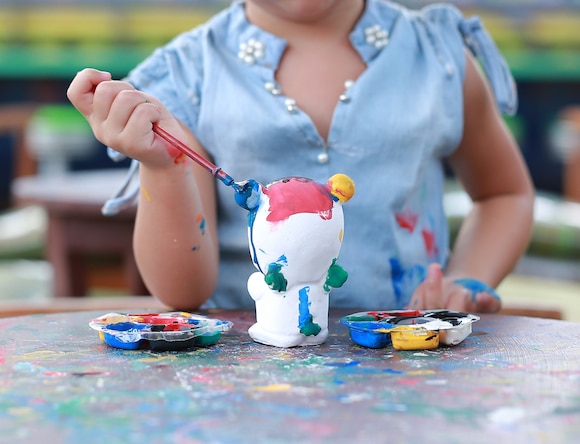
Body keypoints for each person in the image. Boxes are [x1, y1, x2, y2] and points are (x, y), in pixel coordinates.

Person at [67, 0, 534, 314]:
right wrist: (164, 167)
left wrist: (468, 280)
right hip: (245, 385)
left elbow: (504, 194)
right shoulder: (187, 77)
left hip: (415, 366)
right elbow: (182, 294)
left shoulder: (440, 56)